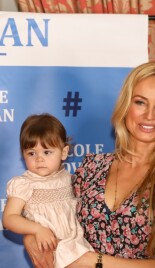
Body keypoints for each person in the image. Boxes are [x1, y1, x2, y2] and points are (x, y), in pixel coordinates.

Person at [23, 62, 155, 268]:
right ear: (126, 105)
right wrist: (31, 235)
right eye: (140, 102)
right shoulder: (91, 167)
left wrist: (95, 262)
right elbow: (56, 214)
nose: (149, 115)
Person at [2, 113, 94, 267]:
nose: (39, 159)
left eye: (47, 152)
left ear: (63, 153)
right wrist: (37, 230)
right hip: (48, 248)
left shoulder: (68, 178)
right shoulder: (24, 184)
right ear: (23, 154)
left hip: (76, 243)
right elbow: (9, 218)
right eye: (31, 153)